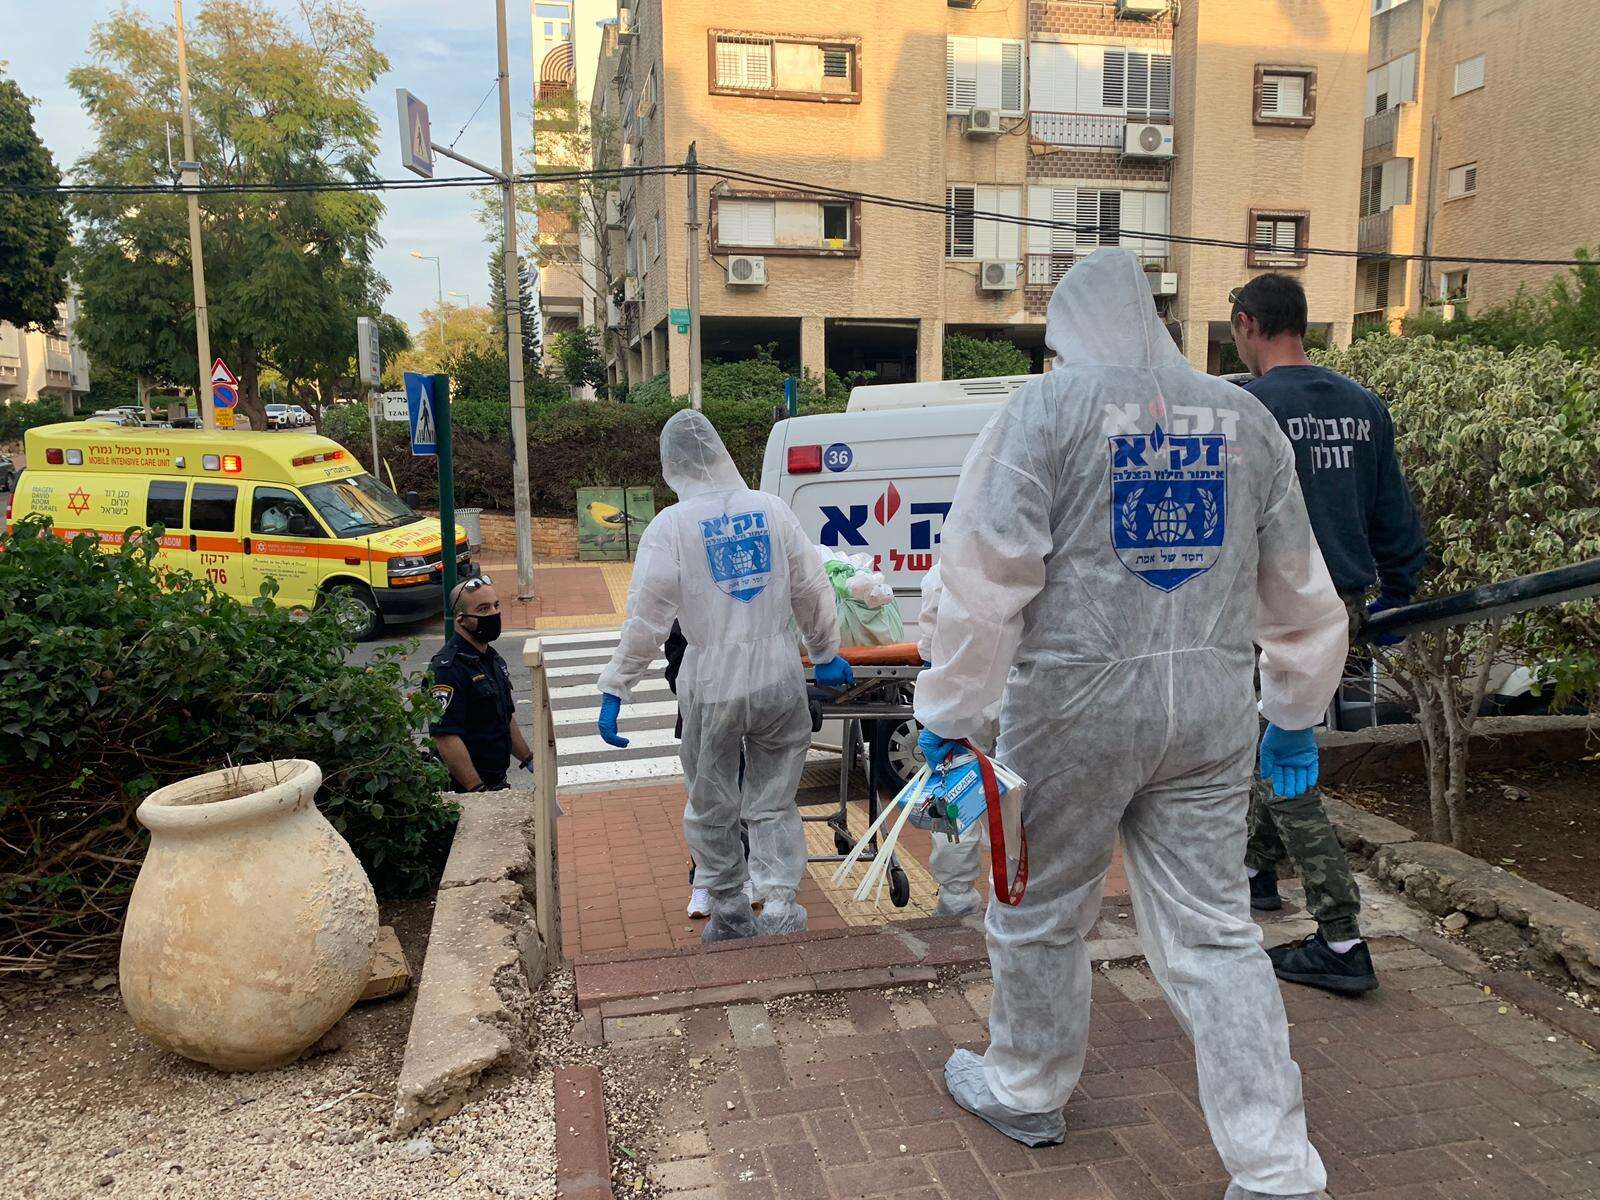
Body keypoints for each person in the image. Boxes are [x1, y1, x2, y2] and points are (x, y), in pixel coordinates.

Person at [914, 249, 1348, 1200]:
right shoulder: (1243, 419)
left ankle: (1026, 1087)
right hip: (1209, 713)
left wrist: (950, 712)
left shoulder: (1045, 411)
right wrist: (1293, 711)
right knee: (1216, 935)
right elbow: (1298, 584)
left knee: (1038, 911)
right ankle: (1275, 1168)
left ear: (1069, 328)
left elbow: (986, 578)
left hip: (1071, 714)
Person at [1230, 273, 1427, 995]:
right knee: (1280, 737)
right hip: (1340, 601)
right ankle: (1255, 873)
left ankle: (1341, 939)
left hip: (1269, 606)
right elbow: (1391, 509)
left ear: (1247, 325)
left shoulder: (1247, 406)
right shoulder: (1361, 404)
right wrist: (1398, 589)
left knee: (1286, 761)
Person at [596, 410, 854, 943]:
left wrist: (617, 685)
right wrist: (825, 650)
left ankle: (732, 909)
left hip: (712, 683)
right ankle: (779, 905)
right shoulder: (772, 509)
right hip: (779, 677)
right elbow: (810, 587)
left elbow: (647, 619)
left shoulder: (671, 526)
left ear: (671, 465)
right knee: (774, 799)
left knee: (712, 802)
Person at [665, 620, 756, 920]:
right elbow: (674, 658)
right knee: (705, 799)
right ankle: (704, 878)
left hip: (748, 706)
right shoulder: (689, 608)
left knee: (745, 794)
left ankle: (745, 872)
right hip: (702, 710)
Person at [915, 563, 990, 918]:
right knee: (1024, 805)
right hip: (1022, 696)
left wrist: (939, 710)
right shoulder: (1036, 560)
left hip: (963, 700)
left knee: (957, 799)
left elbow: (929, 645)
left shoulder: (944, 572)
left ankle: (957, 899)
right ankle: (1020, 898)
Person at [430, 576, 535, 792]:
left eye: (496, 606)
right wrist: (478, 791)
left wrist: (529, 759)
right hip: (465, 791)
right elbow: (446, 737)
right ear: (461, 619)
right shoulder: (448, 669)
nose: (493, 614)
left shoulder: (491, 658)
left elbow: (504, 717)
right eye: (483, 609)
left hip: (496, 781)